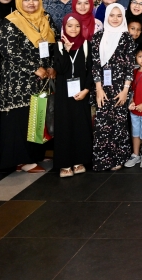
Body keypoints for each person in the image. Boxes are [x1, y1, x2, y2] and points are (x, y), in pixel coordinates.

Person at [0, 0, 56, 173]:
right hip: (19, 80)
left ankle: (35, 154)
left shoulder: (46, 19)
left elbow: (54, 46)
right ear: (19, 1)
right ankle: (22, 160)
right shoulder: (11, 22)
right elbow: (9, 51)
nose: (31, 3)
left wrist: (51, 66)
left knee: (37, 116)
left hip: (42, 79)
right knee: (21, 119)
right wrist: (34, 68)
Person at [91, 3, 137, 172]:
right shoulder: (98, 37)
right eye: (112, 15)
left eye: (119, 15)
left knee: (119, 123)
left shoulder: (127, 38)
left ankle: (118, 158)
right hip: (102, 87)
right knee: (102, 123)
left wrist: (125, 90)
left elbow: (130, 66)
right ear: (107, 16)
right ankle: (102, 160)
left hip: (120, 87)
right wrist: (98, 88)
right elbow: (95, 64)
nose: (115, 19)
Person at [53, 14, 94, 178]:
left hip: (81, 92)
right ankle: (64, 163)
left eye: (77, 26)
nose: (74, 29)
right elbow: (60, 69)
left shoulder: (86, 45)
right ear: (64, 27)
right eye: (70, 26)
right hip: (63, 94)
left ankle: (79, 160)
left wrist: (86, 90)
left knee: (80, 126)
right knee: (64, 127)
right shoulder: (58, 45)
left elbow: (91, 70)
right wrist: (66, 50)